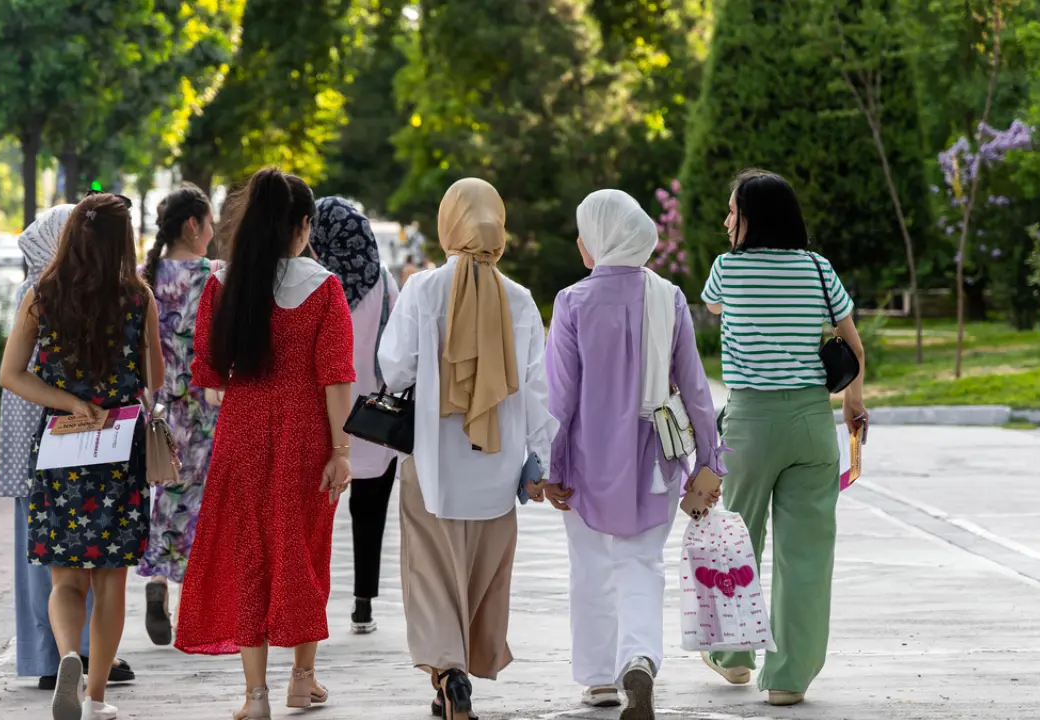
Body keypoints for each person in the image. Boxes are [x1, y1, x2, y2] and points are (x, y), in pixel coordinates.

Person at [174, 168, 356, 720]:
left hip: (242, 433)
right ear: (302, 226)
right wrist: (341, 452)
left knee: (248, 554)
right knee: (305, 551)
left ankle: (256, 697)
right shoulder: (324, 288)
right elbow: (336, 379)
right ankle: (303, 679)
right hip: (308, 436)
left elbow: (209, 371)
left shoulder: (223, 284)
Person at [378, 177, 558, 720]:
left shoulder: (422, 290)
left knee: (431, 572)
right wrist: (541, 459)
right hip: (496, 467)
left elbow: (395, 369)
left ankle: (448, 672)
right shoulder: (519, 299)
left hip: (433, 461)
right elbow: (537, 389)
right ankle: (460, 670)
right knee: (481, 573)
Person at [544, 189, 726, 718]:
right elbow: (695, 389)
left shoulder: (572, 302)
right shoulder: (668, 297)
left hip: (585, 464)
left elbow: (559, 400)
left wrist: (550, 468)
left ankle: (600, 678)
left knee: (590, 568)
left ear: (600, 239)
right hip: (656, 462)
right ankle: (640, 658)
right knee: (642, 563)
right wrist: (709, 461)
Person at [699, 169, 868, 707]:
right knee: (806, 554)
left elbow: (715, 308)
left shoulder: (727, 269)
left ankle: (733, 655)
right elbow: (853, 348)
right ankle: (789, 677)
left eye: (733, 212)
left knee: (737, 538)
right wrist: (853, 406)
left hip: (750, 422)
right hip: (813, 422)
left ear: (754, 218)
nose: (727, 222)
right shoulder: (819, 268)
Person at [0, 193, 161, 720]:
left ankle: (68, 654)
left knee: (65, 578)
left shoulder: (41, 295)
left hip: (60, 449)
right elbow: (154, 377)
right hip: (119, 451)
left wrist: (69, 401)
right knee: (111, 580)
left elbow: (11, 374)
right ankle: (95, 697)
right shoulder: (137, 298)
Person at [308, 196, 400, 634]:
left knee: (316, 514)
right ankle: (363, 603)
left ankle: (310, 601)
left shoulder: (313, 283)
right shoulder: (383, 280)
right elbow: (398, 345)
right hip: (374, 416)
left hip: (323, 412)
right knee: (371, 511)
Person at [135, 184, 222, 646]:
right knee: (202, 502)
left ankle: (157, 582)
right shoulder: (213, 276)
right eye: (209, 224)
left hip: (156, 408)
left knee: (163, 494)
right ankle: (193, 605)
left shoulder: (142, 276)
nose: (211, 233)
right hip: (206, 406)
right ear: (192, 224)